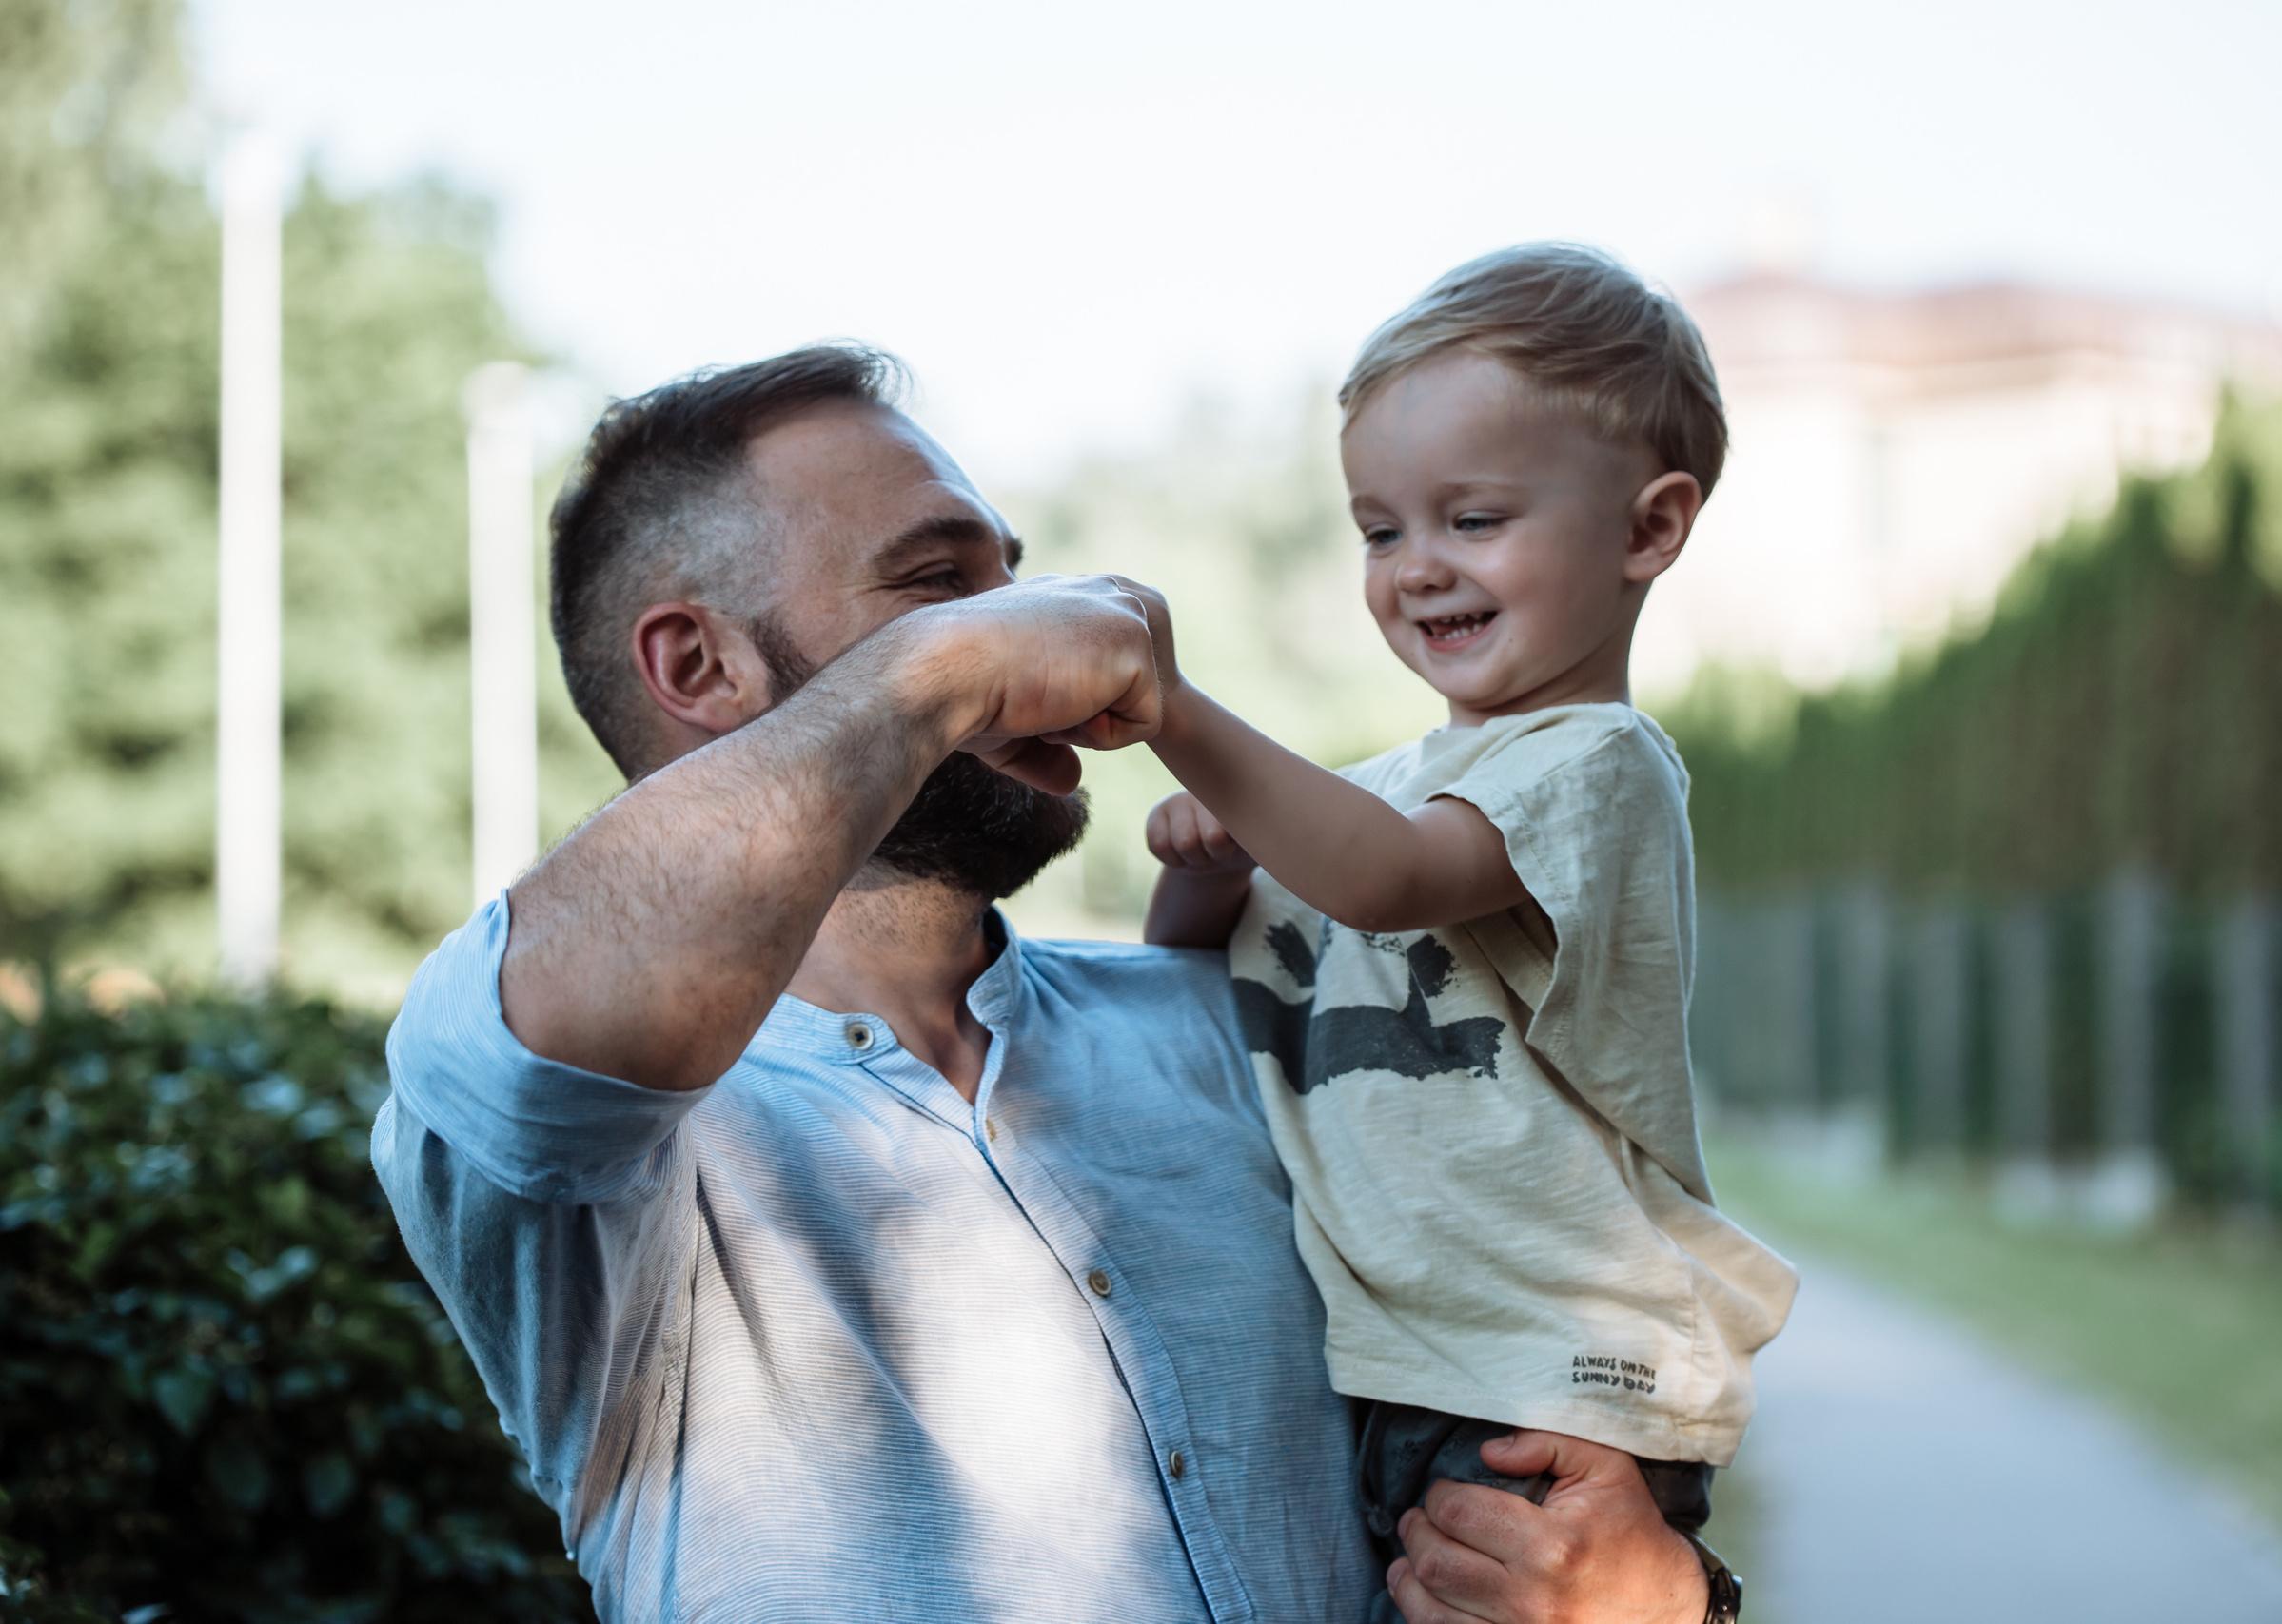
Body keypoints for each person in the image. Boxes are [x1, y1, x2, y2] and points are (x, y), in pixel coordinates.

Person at [372, 343, 1718, 1622]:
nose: (1030, 620)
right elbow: (575, 1003)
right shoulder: (569, 1123)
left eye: (1010, 579)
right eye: (934, 582)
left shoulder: (1225, 1023)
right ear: (700, 667)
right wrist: (948, 677)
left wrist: (1671, 1597)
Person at [1137, 245, 1800, 1593]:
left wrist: (1173, 710)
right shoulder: (1380, 795)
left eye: (1473, 520)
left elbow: (1383, 881)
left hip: (1548, 1379)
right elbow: (1195, 985)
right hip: (1407, 1362)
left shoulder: (1596, 768)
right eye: (1381, 530)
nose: (1416, 569)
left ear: (1647, 529)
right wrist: (1207, 881)